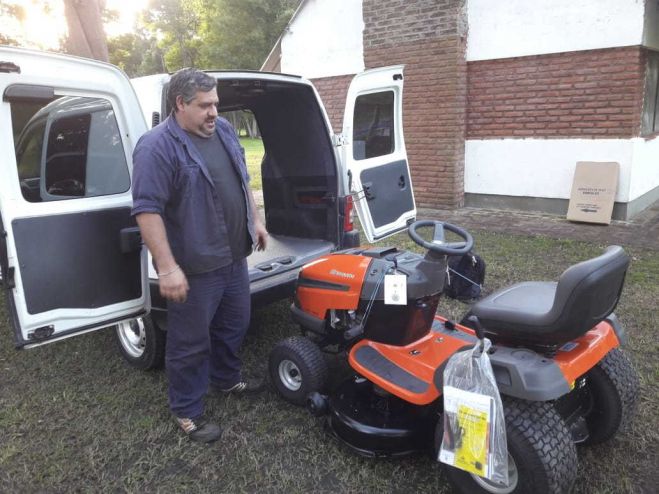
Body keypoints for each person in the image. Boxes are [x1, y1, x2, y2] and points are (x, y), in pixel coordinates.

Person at [131, 68, 268, 443]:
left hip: (233, 255)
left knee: (235, 324)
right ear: (180, 104)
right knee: (190, 342)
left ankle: (226, 379)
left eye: (216, 104)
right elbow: (147, 209)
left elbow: (241, 177)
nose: (213, 112)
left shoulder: (222, 130)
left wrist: (255, 219)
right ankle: (186, 409)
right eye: (204, 105)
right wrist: (167, 267)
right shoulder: (156, 147)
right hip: (195, 266)